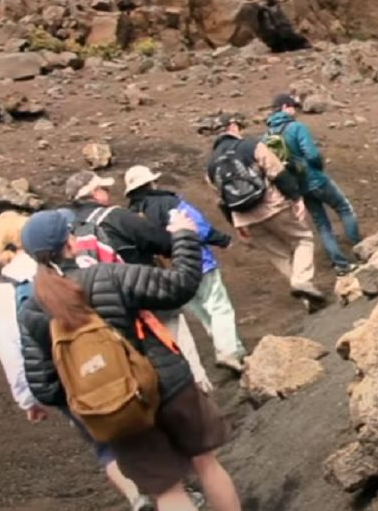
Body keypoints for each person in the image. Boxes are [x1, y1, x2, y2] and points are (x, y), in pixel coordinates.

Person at [17, 209, 241, 511]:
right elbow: (181, 285)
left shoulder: (31, 311)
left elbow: (43, 387)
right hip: (170, 388)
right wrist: (183, 236)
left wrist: (96, 390)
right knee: (206, 464)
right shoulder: (106, 275)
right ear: (71, 241)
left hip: (117, 412)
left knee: (167, 491)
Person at [0, 211, 155, 511]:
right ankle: (166, 483)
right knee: (133, 412)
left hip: (62, 376)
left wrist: (28, 399)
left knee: (103, 441)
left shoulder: (1, 293)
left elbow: (10, 350)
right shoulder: (56, 265)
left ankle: (137, 495)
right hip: (103, 356)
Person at [64, 170, 214, 391]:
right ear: (95, 193)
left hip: (113, 309)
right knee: (180, 347)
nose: (108, 192)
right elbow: (164, 242)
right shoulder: (116, 217)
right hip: (150, 294)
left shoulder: (72, 232)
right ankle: (199, 394)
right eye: (104, 188)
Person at [124, 164, 247, 372]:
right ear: (151, 183)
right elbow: (198, 227)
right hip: (196, 260)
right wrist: (223, 239)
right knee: (218, 306)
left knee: (202, 312)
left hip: (167, 271)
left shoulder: (131, 216)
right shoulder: (169, 202)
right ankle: (228, 351)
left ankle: (235, 351)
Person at [206, 115, 326, 311]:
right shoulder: (250, 146)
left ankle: (308, 300)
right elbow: (277, 172)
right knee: (303, 239)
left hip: (245, 217)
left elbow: (222, 199)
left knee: (278, 255)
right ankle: (302, 281)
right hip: (272, 206)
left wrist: (236, 224)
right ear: (233, 126)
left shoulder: (211, 165)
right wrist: (296, 198)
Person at [265, 93, 361, 275]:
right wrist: (318, 168)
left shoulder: (267, 136)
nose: (296, 110)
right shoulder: (296, 127)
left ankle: (341, 265)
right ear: (285, 107)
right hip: (315, 179)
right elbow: (311, 154)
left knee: (322, 224)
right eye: (293, 106)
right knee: (344, 208)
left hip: (298, 187)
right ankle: (360, 249)